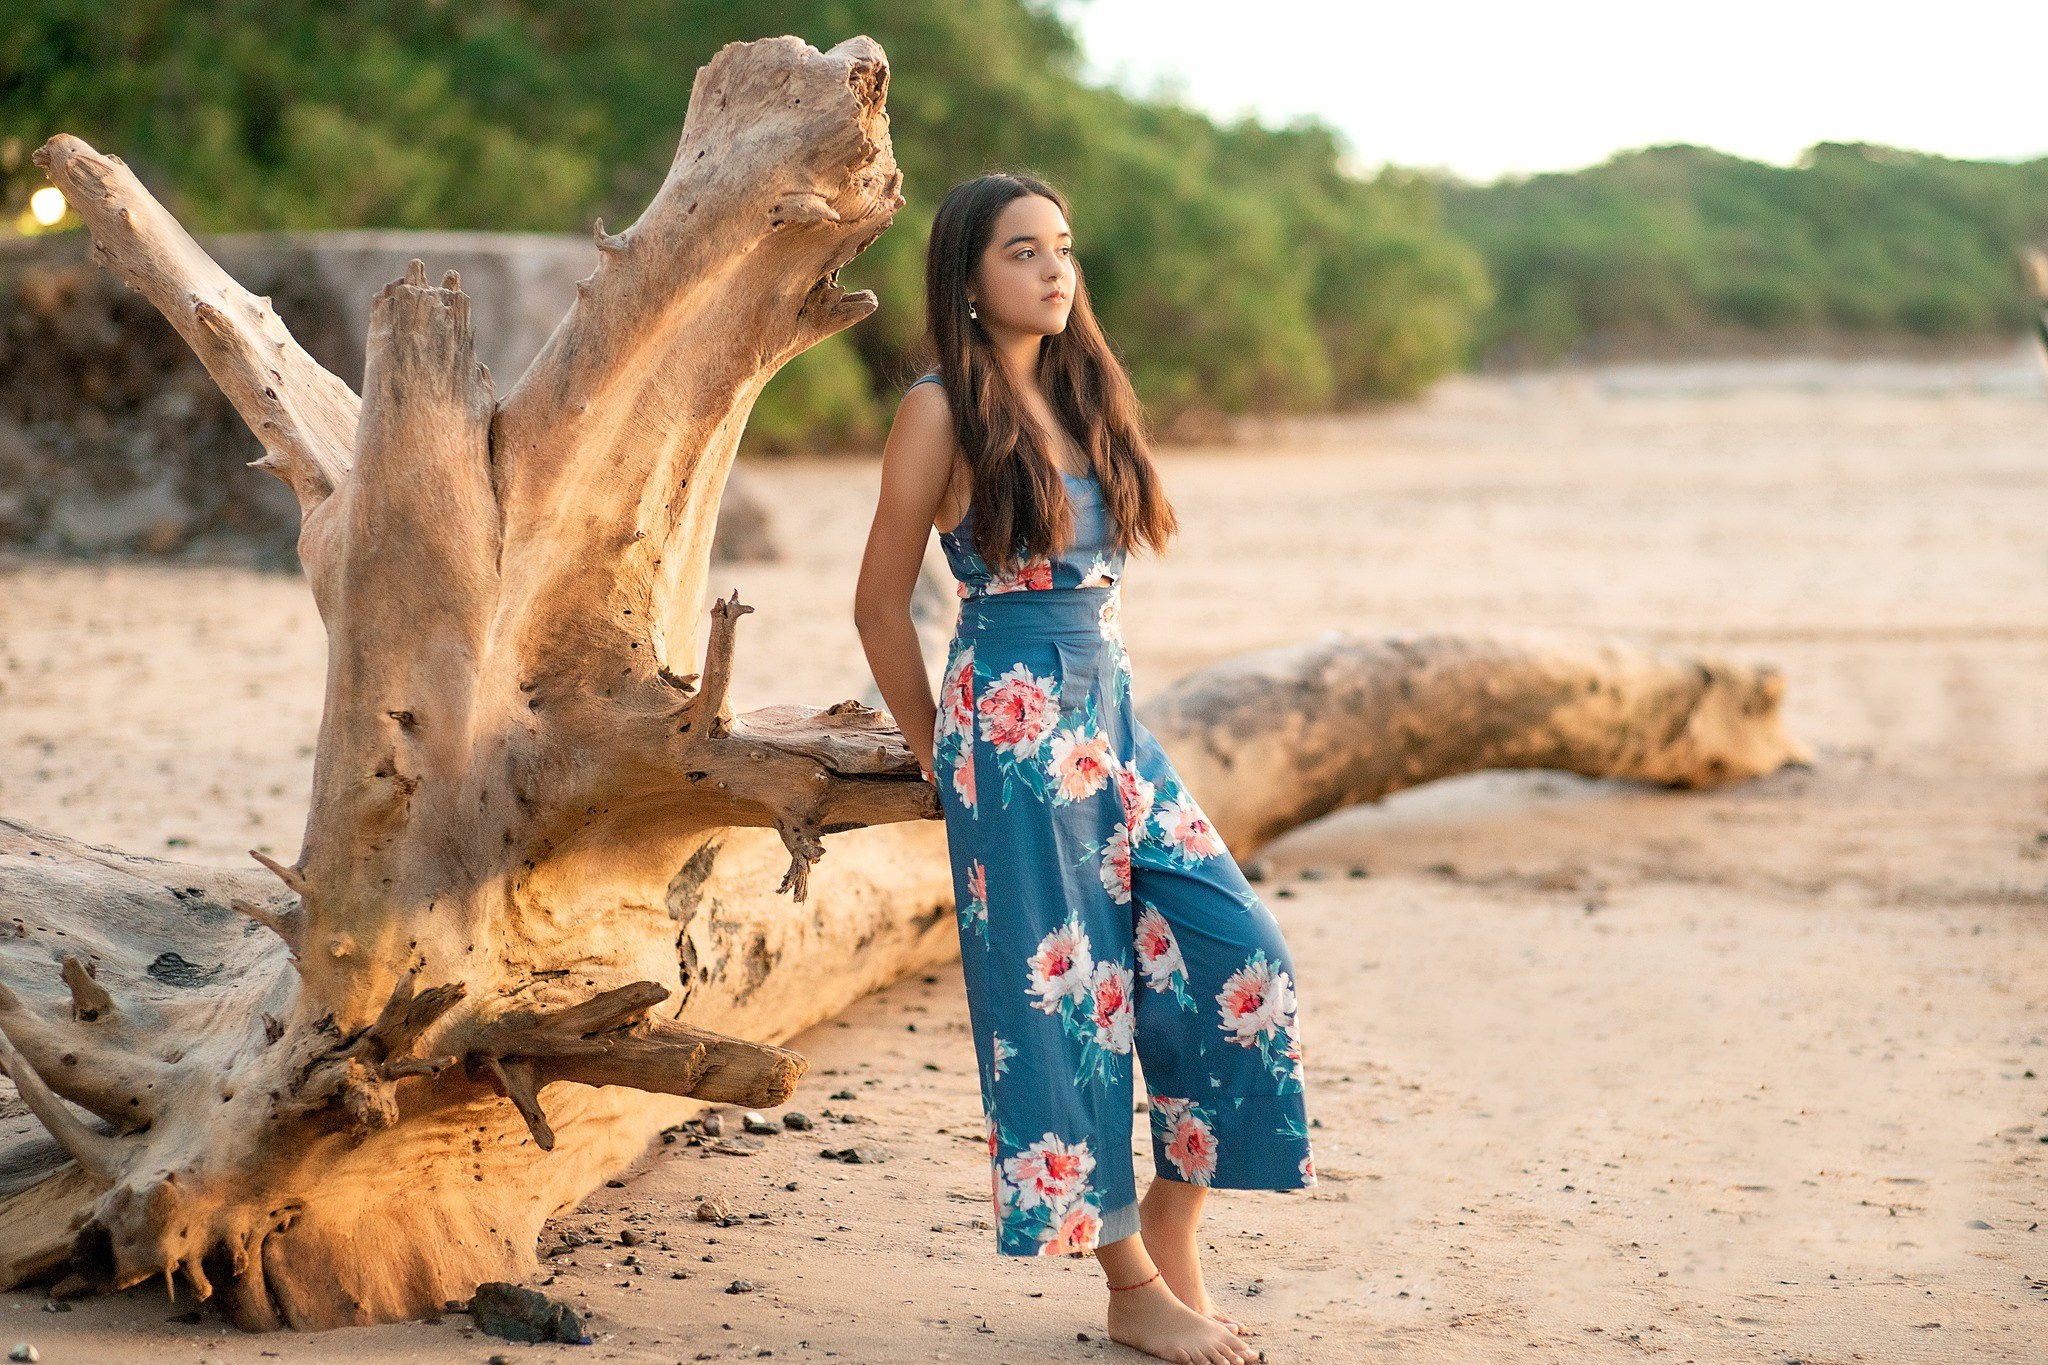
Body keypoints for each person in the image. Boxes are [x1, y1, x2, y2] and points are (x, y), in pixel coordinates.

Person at [853, 172, 1314, 1365]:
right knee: (1060, 1003)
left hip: (1111, 718)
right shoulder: (937, 411)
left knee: (1240, 956)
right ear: (966, 281)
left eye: (1060, 247)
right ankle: (1128, 1287)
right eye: (1021, 251)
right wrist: (937, 755)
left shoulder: (1081, 390)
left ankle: (1169, 1228)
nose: (1053, 269)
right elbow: (878, 604)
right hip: (1007, 734)